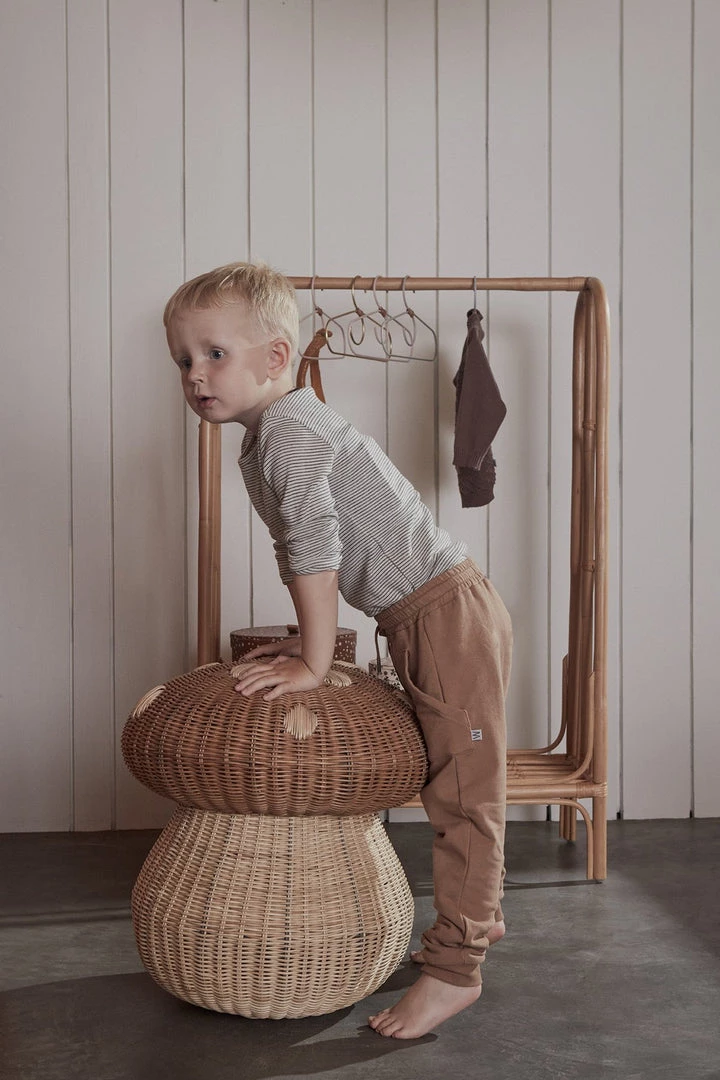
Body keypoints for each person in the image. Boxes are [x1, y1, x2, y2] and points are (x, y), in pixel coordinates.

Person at [163, 262, 513, 1039]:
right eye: (183, 359)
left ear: (277, 357)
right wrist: (304, 635)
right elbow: (311, 550)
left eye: (214, 353)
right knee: (456, 782)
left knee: (463, 794)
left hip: (448, 614)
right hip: (420, 614)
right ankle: (475, 919)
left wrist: (314, 664)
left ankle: (456, 969)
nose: (195, 374)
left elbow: (316, 548)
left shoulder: (286, 432)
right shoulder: (267, 437)